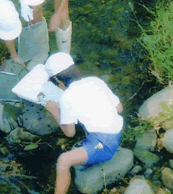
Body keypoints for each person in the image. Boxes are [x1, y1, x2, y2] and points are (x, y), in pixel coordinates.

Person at [42, 54, 124, 194]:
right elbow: (119, 108)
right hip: (116, 132)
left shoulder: (66, 97)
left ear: (56, 79)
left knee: (63, 161)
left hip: (103, 145)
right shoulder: (95, 81)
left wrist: (54, 110)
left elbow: (70, 133)